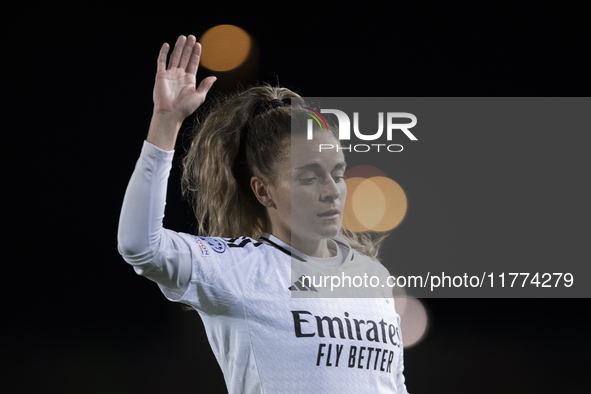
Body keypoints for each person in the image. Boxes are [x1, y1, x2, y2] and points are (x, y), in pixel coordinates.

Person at [117, 34, 409, 393]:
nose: (332, 190)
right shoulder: (238, 272)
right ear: (263, 190)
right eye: (309, 177)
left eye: (337, 174)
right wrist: (165, 120)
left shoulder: (372, 276)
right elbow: (140, 246)